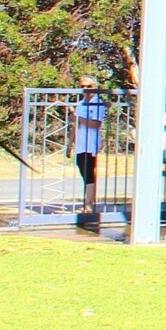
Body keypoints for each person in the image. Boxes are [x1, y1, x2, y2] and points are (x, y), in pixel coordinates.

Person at [72, 81, 105, 229]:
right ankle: (88, 200)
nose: (86, 88)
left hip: (90, 143)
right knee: (82, 169)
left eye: (89, 86)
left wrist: (79, 119)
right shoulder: (80, 104)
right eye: (83, 86)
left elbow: (96, 124)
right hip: (80, 143)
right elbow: (75, 125)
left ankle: (89, 204)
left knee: (88, 171)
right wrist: (69, 142)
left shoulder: (98, 103)